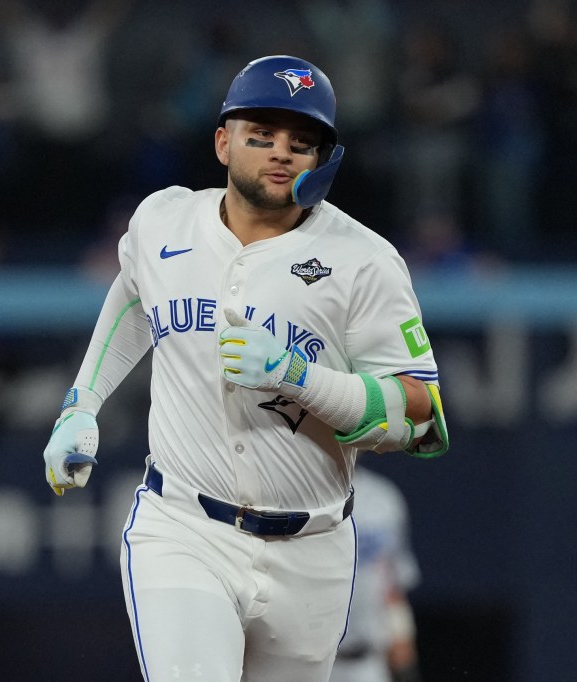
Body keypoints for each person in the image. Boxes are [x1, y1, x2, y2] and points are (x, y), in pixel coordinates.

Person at [42, 55, 449, 682]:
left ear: (323, 159)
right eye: (261, 136)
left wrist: (300, 376)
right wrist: (82, 403)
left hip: (313, 549)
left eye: (301, 141)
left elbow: (418, 414)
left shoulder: (364, 260)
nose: (280, 153)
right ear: (223, 142)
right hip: (184, 527)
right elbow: (131, 295)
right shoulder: (164, 220)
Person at [331, 462, 423, 682]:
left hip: (367, 662)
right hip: (303, 661)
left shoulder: (383, 497)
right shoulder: (298, 493)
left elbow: (392, 586)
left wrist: (403, 649)